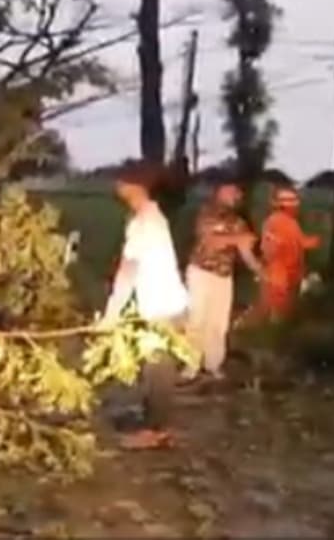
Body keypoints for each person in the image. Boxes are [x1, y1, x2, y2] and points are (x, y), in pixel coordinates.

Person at [98, 160, 189, 450]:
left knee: (157, 372)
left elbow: (128, 269)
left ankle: (157, 432)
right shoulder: (152, 216)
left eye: (121, 182)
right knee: (156, 372)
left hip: (162, 308)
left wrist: (112, 313)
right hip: (168, 304)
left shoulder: (143, 223)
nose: (117, 187)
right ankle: (159, 426)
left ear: (133, 187)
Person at [182, 181, 263, 381]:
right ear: (219, 193)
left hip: (224, 276)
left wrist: (262, 271)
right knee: (196, 320)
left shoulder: (238, 222)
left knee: (218, 324)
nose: (234, 196)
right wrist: (238, 238)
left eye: (236, 193)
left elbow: (246, 253)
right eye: (229, 191)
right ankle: (190, 365)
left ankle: (213, 365)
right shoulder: (206, 213)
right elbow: (211, 242)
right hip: (201, 273)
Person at [256, 185, 320, 320]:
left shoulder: (290, 222)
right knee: (276, 311)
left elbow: (296, 241)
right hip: (279, 273)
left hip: (288, 272)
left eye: (294, 200)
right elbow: (273, 248)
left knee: (285, 309)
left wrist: (310, 242)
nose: (295, 204)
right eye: (290, 201)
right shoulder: (276, 221)